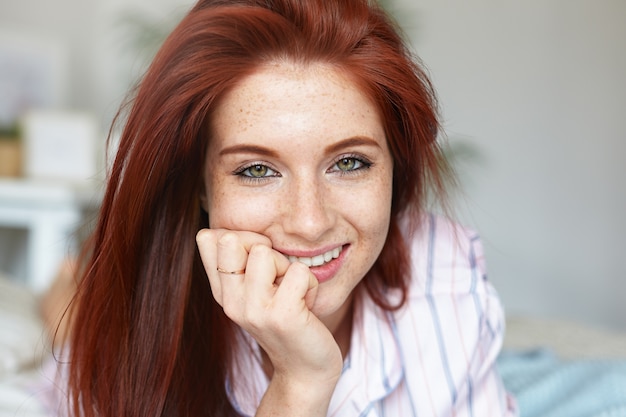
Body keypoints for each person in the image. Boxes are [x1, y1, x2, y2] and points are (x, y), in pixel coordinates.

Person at [57, 0, 518, 416]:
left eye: (350, 162)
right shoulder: (136, 331)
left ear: (396, 167)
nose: (309, 222)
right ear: (199, 186)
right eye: (257, 170)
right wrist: (301, 383)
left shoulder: (446, 277)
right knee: (67, 333)